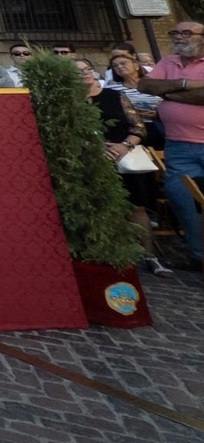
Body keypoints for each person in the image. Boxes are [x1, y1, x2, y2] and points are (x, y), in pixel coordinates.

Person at [75, 58, 170, 275]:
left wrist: (124, 145)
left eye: (87, 68)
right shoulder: (69, 101)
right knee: (103, 207)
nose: (84, 73)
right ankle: (116, 252)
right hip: (92, 159)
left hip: (124, 156)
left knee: (136, 206)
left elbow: (138, 126)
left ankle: (150, 256)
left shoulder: (114, 95)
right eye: (78, 71)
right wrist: (90, 147)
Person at [139, 21, 204, 271]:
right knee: (181, 200)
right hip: (178, 146)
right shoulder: (168, 62)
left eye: (186, 33)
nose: (179, 37)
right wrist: (186, 85)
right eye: (174, 33)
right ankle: (199, 255)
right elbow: (145, 86)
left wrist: (167, 92)